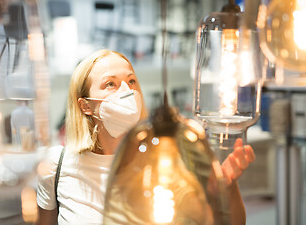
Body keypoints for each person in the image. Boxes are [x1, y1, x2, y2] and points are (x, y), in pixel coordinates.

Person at [36, 49, 255, 225]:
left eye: (131, 81)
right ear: (85, 105)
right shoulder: (57, 165)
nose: (126, 91)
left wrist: (227, 187)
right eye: (110, 84)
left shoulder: (168, 158)